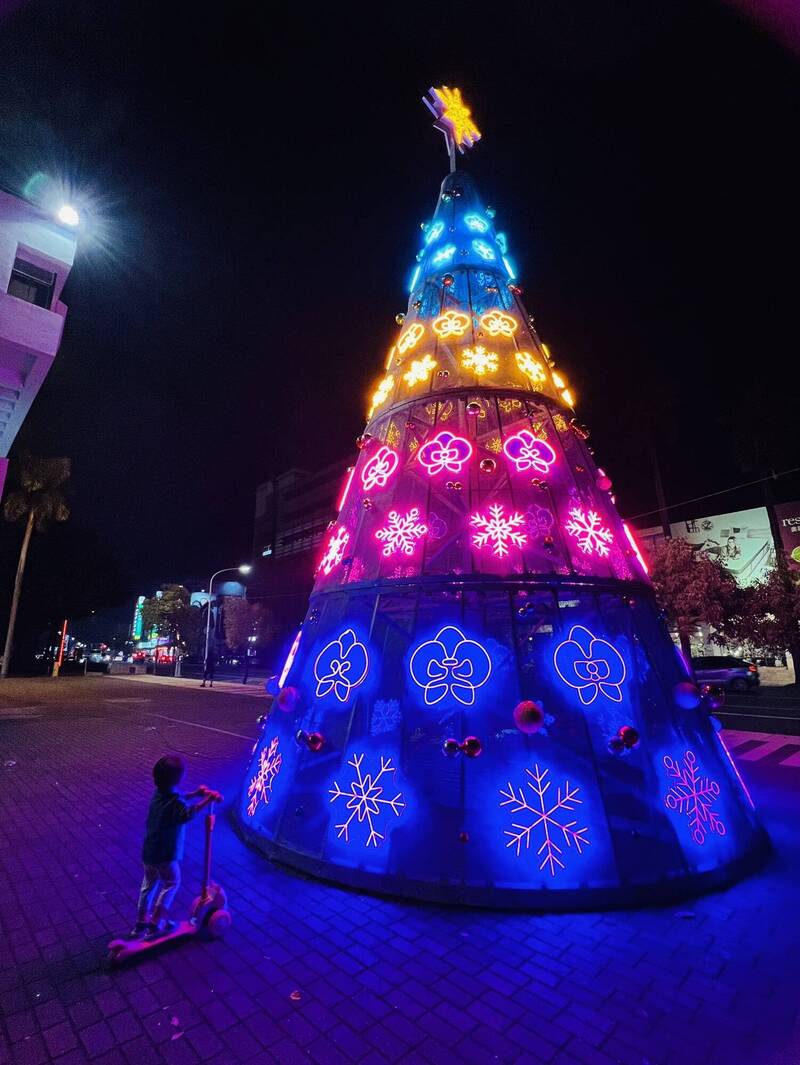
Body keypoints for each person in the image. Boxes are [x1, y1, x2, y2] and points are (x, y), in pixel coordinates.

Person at [131, 755, 222, 938]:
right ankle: (157, 922)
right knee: (172, 883)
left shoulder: (159, 794)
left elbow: (178, 799)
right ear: (178, 778)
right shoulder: (176, 802)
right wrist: (207, 800)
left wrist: (196, 794)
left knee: (148, 886)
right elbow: (186, 814)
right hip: (165, 854)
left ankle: (141, 922)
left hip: (149, 852)